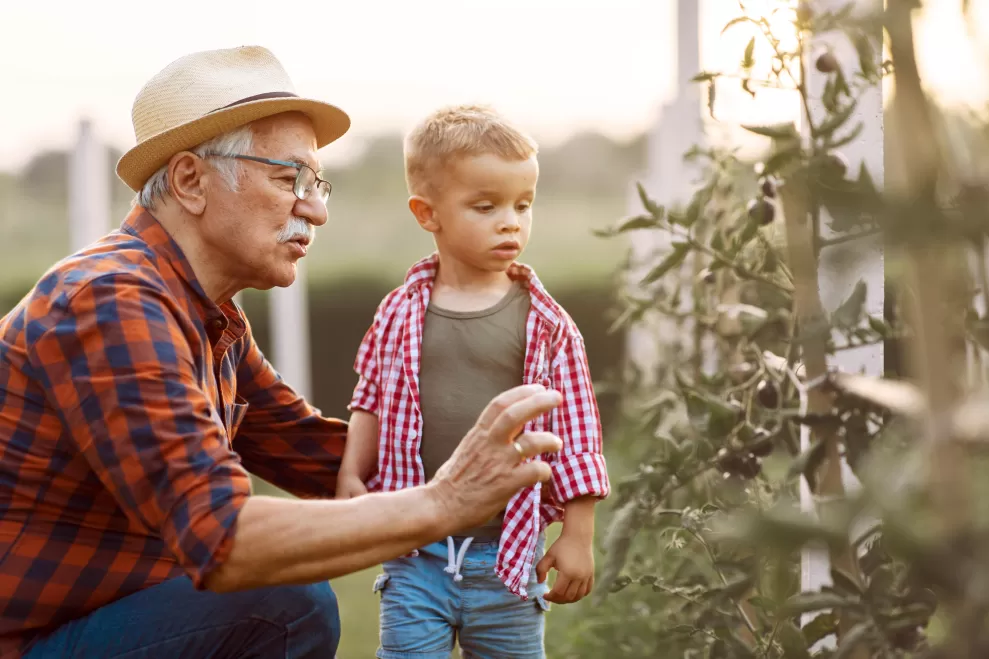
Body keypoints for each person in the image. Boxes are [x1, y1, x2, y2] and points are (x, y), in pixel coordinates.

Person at [0, 46, 566, 659]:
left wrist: (528, 480)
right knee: (283, 606)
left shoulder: (207, 315)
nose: (316, 210)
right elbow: (222, 536)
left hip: (92, 623)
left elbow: (326, 457)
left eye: (316, 182)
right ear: (191, 181)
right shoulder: (111, 301)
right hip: (28, 640)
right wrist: (443, 501)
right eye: (287, 178)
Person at [335, 105, 611, 659]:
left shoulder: (547, 325)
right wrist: (350, 470)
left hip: (508, 556)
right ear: (427, 213)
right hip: (416, 552)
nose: (511, 220)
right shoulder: (400, 311)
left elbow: (576, 438)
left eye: (523, 204)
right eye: (485, 206)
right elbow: (371, 395)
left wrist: (577, 538)